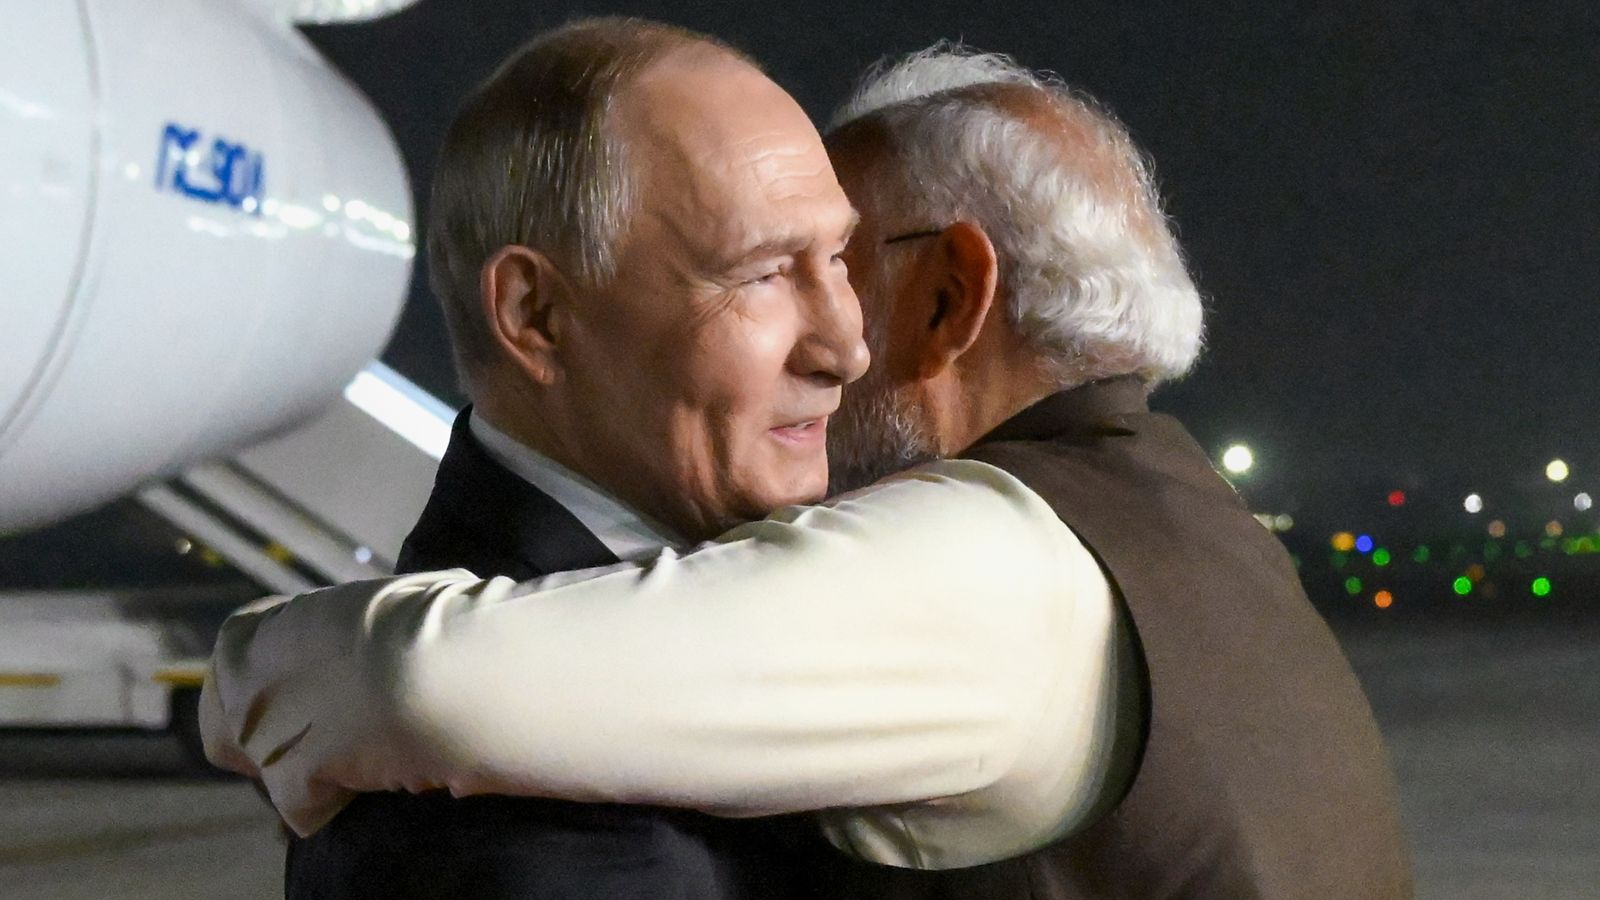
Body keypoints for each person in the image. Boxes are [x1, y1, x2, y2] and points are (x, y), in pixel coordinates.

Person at [204, 41, 1414, 899]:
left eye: (844, 261)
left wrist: (248, 668)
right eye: (766, 270)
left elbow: (435, 686)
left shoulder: (976, 561)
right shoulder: (1187, 521)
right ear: (536, 314)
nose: (840, 345)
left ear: (950, 294)